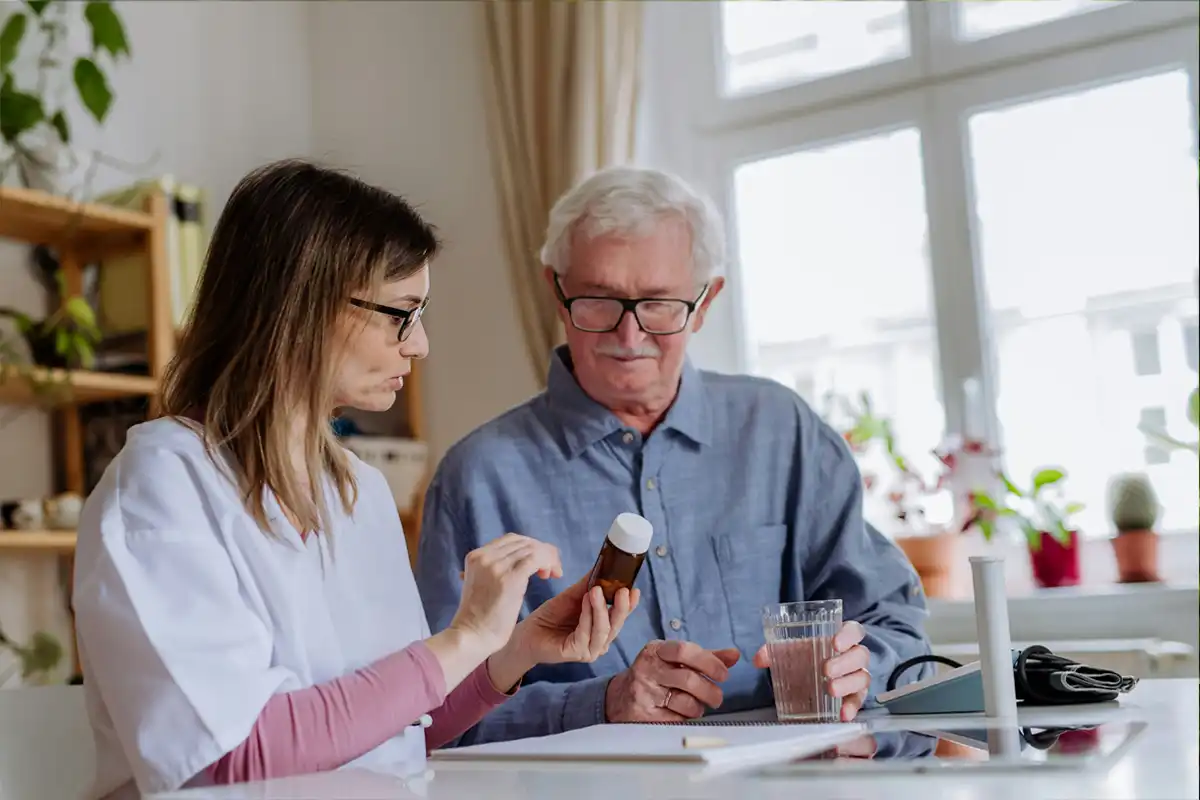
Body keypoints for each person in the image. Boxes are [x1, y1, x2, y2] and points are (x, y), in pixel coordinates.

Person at [71, 160, 638, 800]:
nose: (420, 344)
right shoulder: (162, 486)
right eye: (402, 312)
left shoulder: (358, 491)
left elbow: (396, 736)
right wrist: (465, 637)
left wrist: (513, 650)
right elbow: (235, 758)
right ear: (301, 304)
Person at [415, 165, 934, 745]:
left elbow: (896, 623)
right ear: (556, 294)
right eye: (598, 300)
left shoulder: (782, 431)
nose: (629, 337)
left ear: (706, 300)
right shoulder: (478, 477)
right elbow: (431, 715)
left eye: (659, 304)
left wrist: (863, 668)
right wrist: (602, 703)